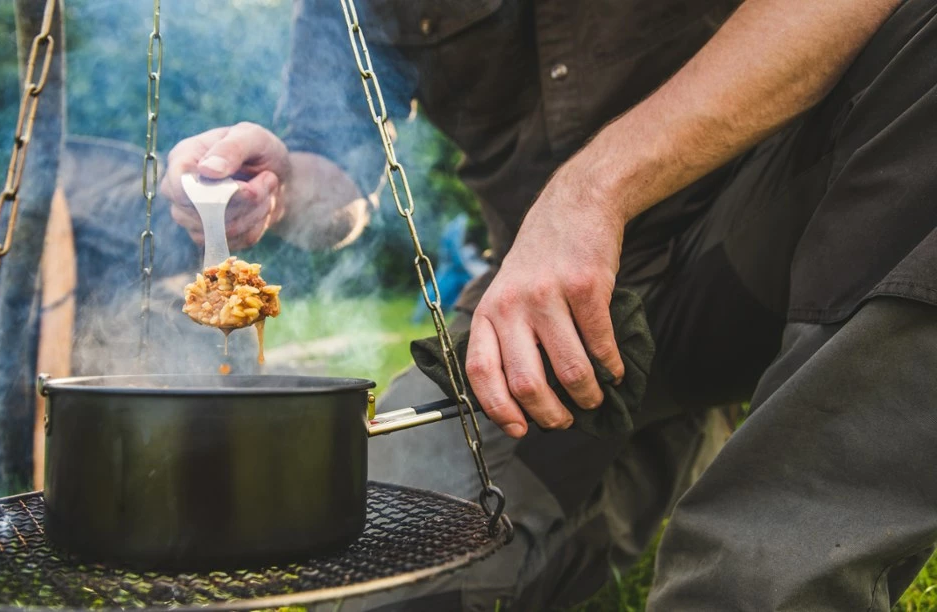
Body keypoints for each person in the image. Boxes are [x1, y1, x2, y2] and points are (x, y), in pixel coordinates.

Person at [161, 0, 937, 609]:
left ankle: (760, 574)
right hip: (538, 314)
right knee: (385, 555)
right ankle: (657, 440)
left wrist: (595, 189)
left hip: (768, 243)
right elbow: (339, 177)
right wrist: (284, 183)